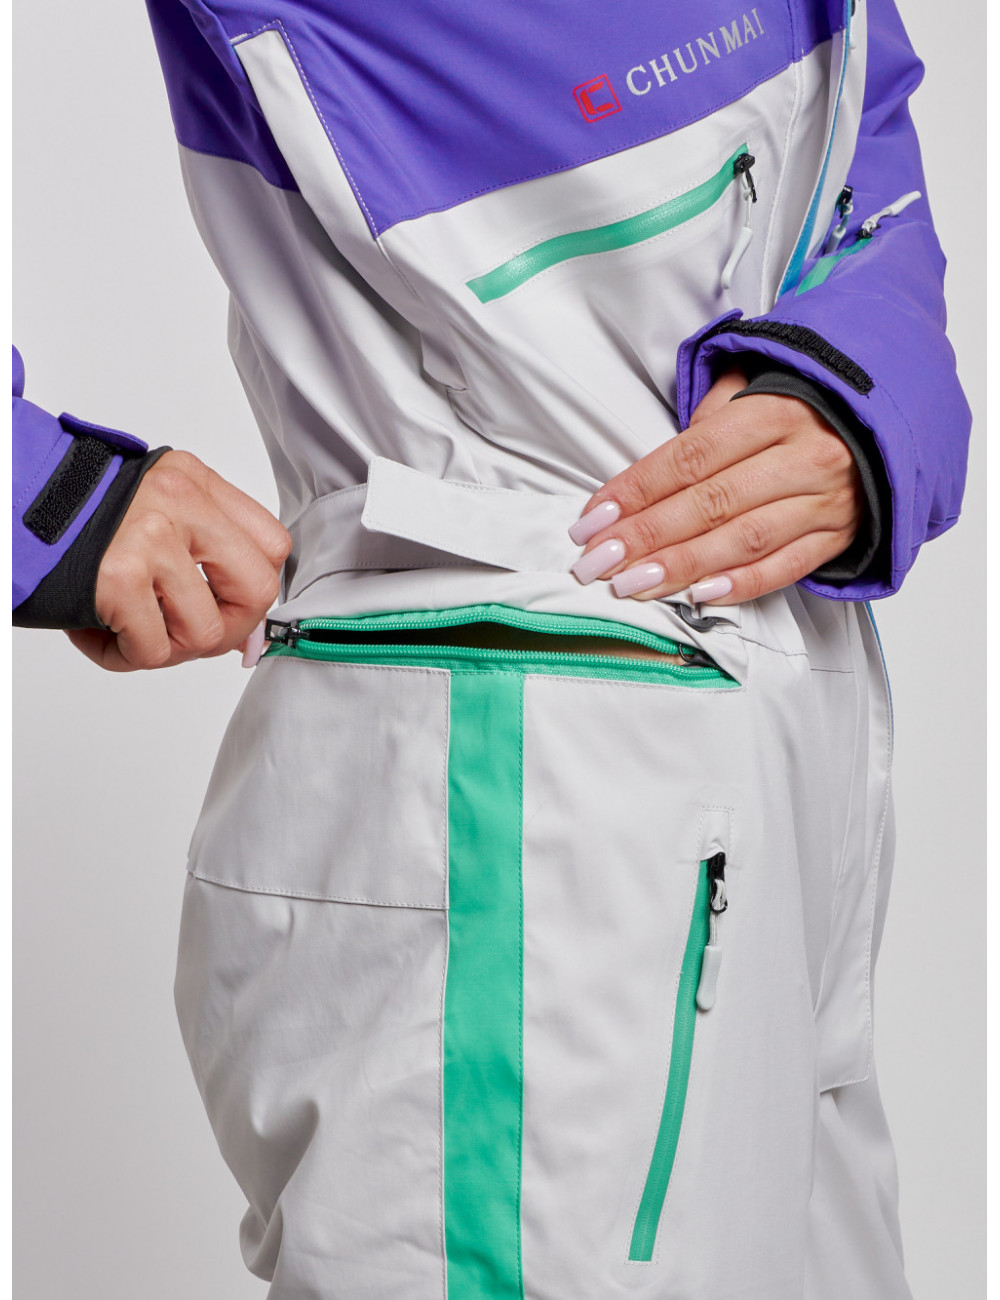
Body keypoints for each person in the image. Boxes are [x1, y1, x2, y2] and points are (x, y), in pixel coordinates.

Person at [12, 0, 971, 1296]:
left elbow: (860, 96)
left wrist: (861, 386)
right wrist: (38, 493)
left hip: (801, 730)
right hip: (525, 768)